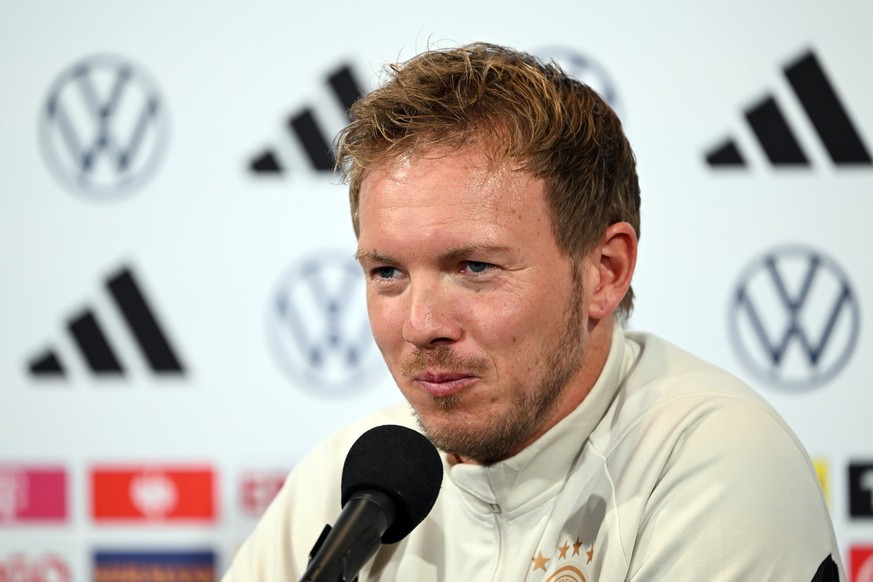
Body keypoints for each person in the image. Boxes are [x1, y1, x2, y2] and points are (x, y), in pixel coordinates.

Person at [224, 43, 844, 581]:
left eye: (474, 268)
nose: (420, 325)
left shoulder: (713, 461)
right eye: (388, 273)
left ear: (605, 272)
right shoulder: (355, 477)